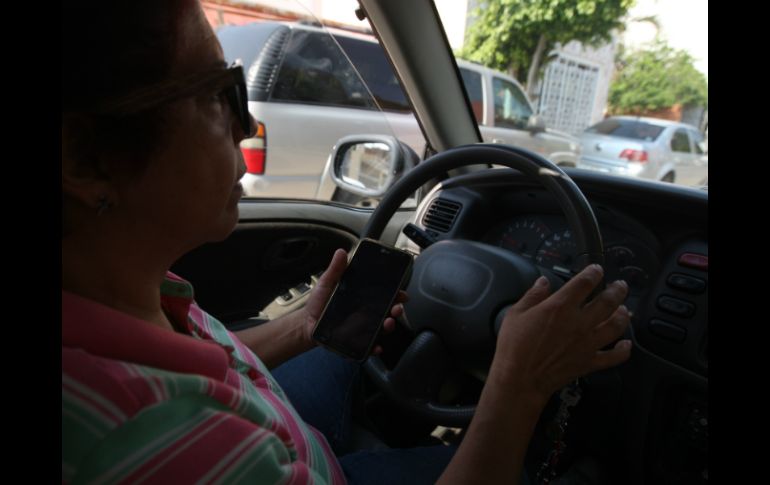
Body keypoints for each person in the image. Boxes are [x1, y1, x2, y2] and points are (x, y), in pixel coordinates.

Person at [61, 1, 632, 483]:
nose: (247, 125)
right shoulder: (157, 445)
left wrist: (304, 327)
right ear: (86, 160)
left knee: (339, 349)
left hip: (281, 431)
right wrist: (519, 383)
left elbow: (209, 364)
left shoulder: (126, 290)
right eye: (219, 94)